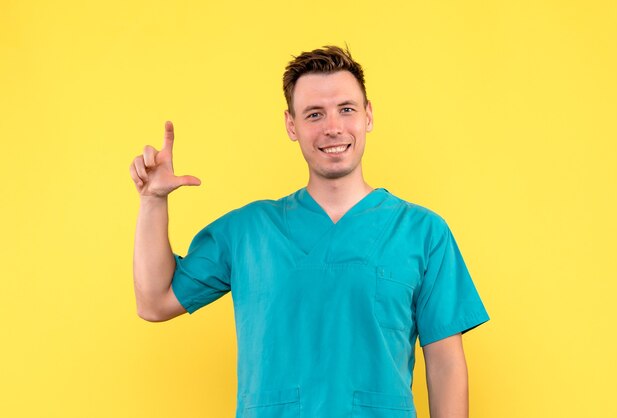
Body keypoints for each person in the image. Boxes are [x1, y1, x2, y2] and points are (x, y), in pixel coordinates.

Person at [129, 45, 490, 418]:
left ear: (368, 115)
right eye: (314, 114)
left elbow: (445, 365)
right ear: (291, 125)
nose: (333, 127)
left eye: (346, 109)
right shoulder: (248, 232)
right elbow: (154, 302)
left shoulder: (423, 233)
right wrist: (153, 201)